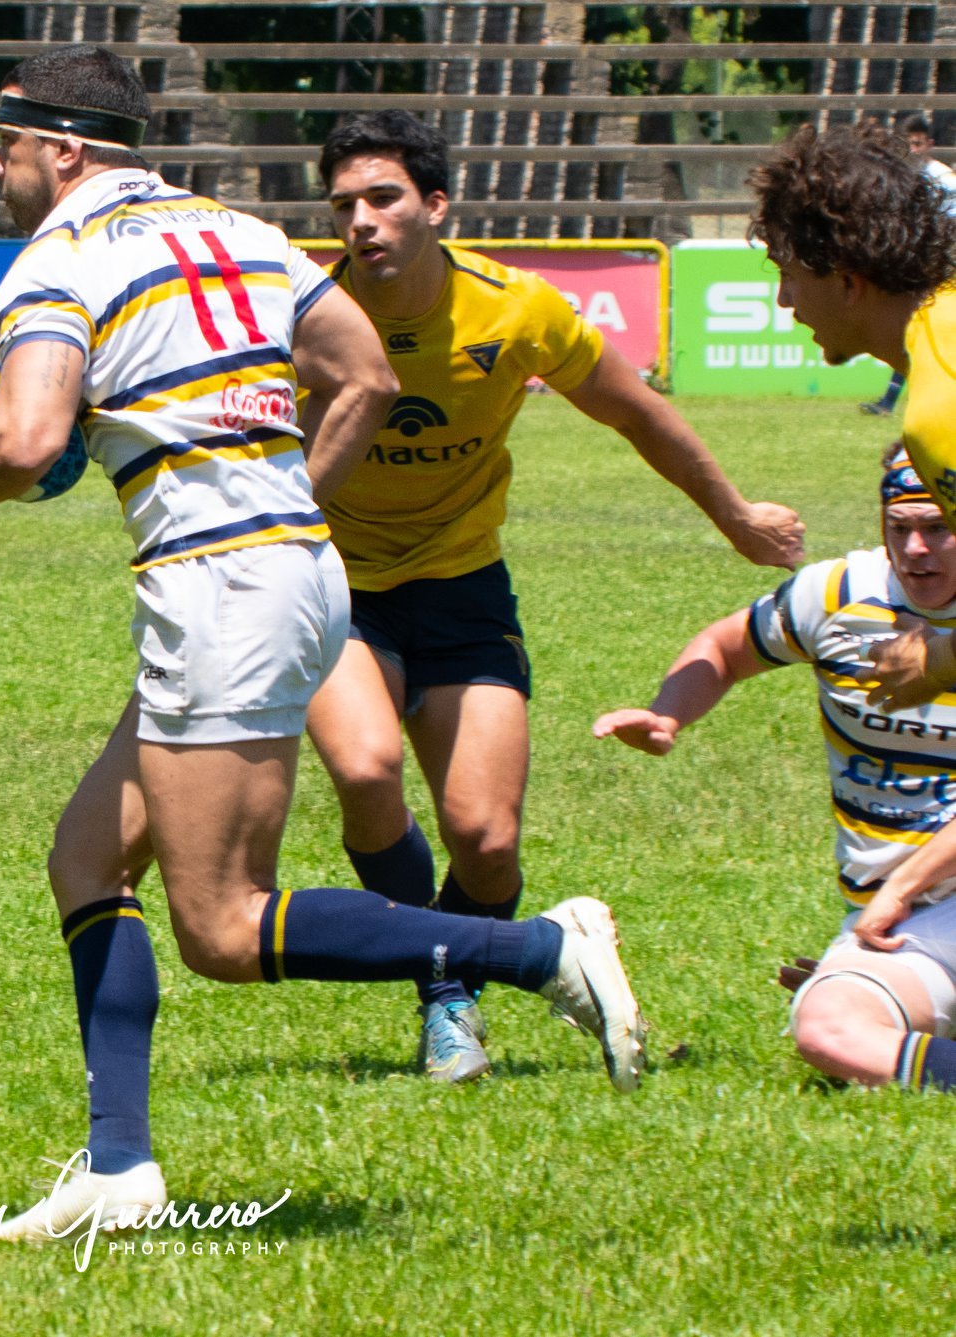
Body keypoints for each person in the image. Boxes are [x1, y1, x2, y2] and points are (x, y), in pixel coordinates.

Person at [0, 45, 646, 1244]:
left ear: (62, 150)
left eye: (5, 146)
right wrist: (284, 501)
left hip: (220, 588)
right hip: (297, 567)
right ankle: (117, 1167)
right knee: (87, 859)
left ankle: (538, 949)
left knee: (221, 924)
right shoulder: (245, 231)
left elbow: (28, 432)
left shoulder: (59, 259)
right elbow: (359, 375)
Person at [301, 110, 804, 1084]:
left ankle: (449, 985)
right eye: (343, 205)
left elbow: (635, 410)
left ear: (435, 204)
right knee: (364, 772)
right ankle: (448, 998)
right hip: (340, 587)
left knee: (485, 841)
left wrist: (733, 513)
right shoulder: (303, 312)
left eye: (383, 198)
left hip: (461, 586)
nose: (360, 221)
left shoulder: (515, 309)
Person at [595, 449, 956, 1094]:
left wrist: (900, 893)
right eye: (899, 528)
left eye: (938, 527)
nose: (917, 550)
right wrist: (666, 716)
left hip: (906, 900)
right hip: (898, 918)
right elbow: (727, 648)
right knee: (828, 1026)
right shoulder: (840, 594)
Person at [751, 122, 956, 714]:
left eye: (789, 274)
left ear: (846, 282)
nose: (786, 301)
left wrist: (936, 659)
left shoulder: (939, 413)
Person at [861, 115, 956, 417]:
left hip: (943, 264)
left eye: (918, 142)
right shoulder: (903, 178)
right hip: (924, 263)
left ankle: (891, 402)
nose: (913, 148)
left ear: (929, 144)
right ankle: (890, 402)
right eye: (909, 142)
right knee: (913, 329)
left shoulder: (943, 179)